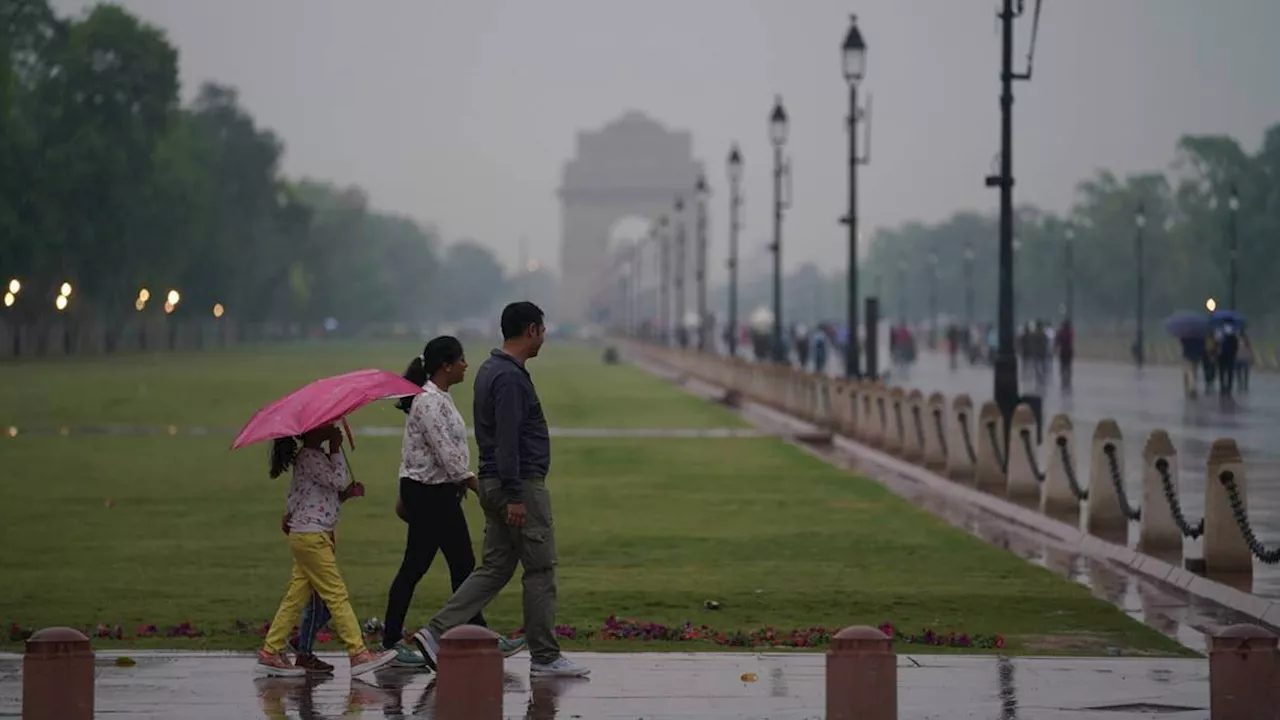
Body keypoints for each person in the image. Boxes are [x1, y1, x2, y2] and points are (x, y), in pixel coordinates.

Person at [411, 301, 590, 678]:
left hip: (494, 482)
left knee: (494, 569)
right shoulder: (509, 377)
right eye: (542, 329)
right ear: (531, 330)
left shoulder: (491, 370)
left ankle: (434, 633)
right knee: (540, 569)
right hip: (517, 485)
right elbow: (508, 440)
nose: (544, 336)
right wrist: (516, 496)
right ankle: (544, 657)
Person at [379, 336, 527, 666]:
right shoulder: (429, 402)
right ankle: (395, 642)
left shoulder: (437, 397)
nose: (466, 365)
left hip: (437, 492)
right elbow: (447, 455)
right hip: (430, 494)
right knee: (435, 564)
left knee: (449, 564)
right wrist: (481, 489)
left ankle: (475, 635)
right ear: (446, 365)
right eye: (461, 360)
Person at [257, 425, 397, 677]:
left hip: (307, 535)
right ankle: (358, 653)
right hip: (312, 536)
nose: (333, 426)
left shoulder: (310, 457)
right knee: (336, 595)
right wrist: (335, 448)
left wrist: (344, 495)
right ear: (312, 431)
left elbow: (322, 493)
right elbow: (336, 479)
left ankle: (270, 651)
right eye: (327, 424)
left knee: (296, 596)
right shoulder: (311, 456)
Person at [1055, 320, 1074, 391]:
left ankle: (1063, 379)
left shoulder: (1061, 332)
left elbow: (1057, 341)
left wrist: (1055, 349)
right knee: (1068, 366)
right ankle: (1068, 379)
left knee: (1063, 366)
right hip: (1069, 351)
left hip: (1063, 351)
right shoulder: (1070, 332)